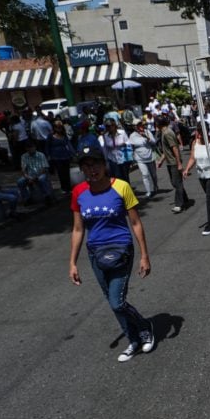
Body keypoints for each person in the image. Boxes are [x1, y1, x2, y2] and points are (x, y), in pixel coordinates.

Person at [69, 144, 154, 362]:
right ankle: (133, 340)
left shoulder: (122, 187)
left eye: (95, 164)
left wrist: (144, 255)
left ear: (104, 165)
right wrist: (73, 263)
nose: (92, 170)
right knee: (111, 300)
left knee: (117, 301)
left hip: (121, 250)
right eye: (86, 166)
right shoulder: (79, 193)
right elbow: (78, 229)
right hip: (95, 253)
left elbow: (135, 222)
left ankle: (145, 326)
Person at [157, 116, 188, 213]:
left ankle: (179, 204)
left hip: (174, 162)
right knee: (175, 182)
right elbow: (167, 150)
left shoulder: (167, 133)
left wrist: (179, 163)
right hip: (170, 162)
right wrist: (161, 160)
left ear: (158, 125)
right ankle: (185, 199)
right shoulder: (164, 133)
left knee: (176, 183)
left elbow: (174, 148)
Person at [128, 121, 159, 198]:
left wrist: (146, 136)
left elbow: (154, 142)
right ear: (135, 127)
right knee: (145, 174)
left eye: (140, 124)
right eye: (137, 125)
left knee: (154, 175)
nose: (140, 126)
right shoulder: (132, 135)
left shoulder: (147, 132)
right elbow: (131, 147)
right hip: (139, 157)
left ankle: (155, 186)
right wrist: (131, 158)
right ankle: (148, 191)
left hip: (150, 156)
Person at [46, 120, 75, 193]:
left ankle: (68, 188)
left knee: (66, 173)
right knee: (60, 173)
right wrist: (48, 156)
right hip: (56, 157)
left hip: (65, 156)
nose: (59, 129)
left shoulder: (64, 135)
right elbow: (47, 147)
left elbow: (68, 145)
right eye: (57, 127)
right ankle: (64, 188)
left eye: (60, 127)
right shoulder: (50, 136)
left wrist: (73, 153)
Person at [102, 118, 131, 183]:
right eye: (107, 126)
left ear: (114, 125)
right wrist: (105, 160)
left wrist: (123, 144)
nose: (110, 128)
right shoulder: (105, 136)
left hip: (123, 158)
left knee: (125, 176)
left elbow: (128, 143)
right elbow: (105, 148)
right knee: (118, 177)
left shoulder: (122, 133)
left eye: (111, 126)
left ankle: (128, 189)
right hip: (113, 159)